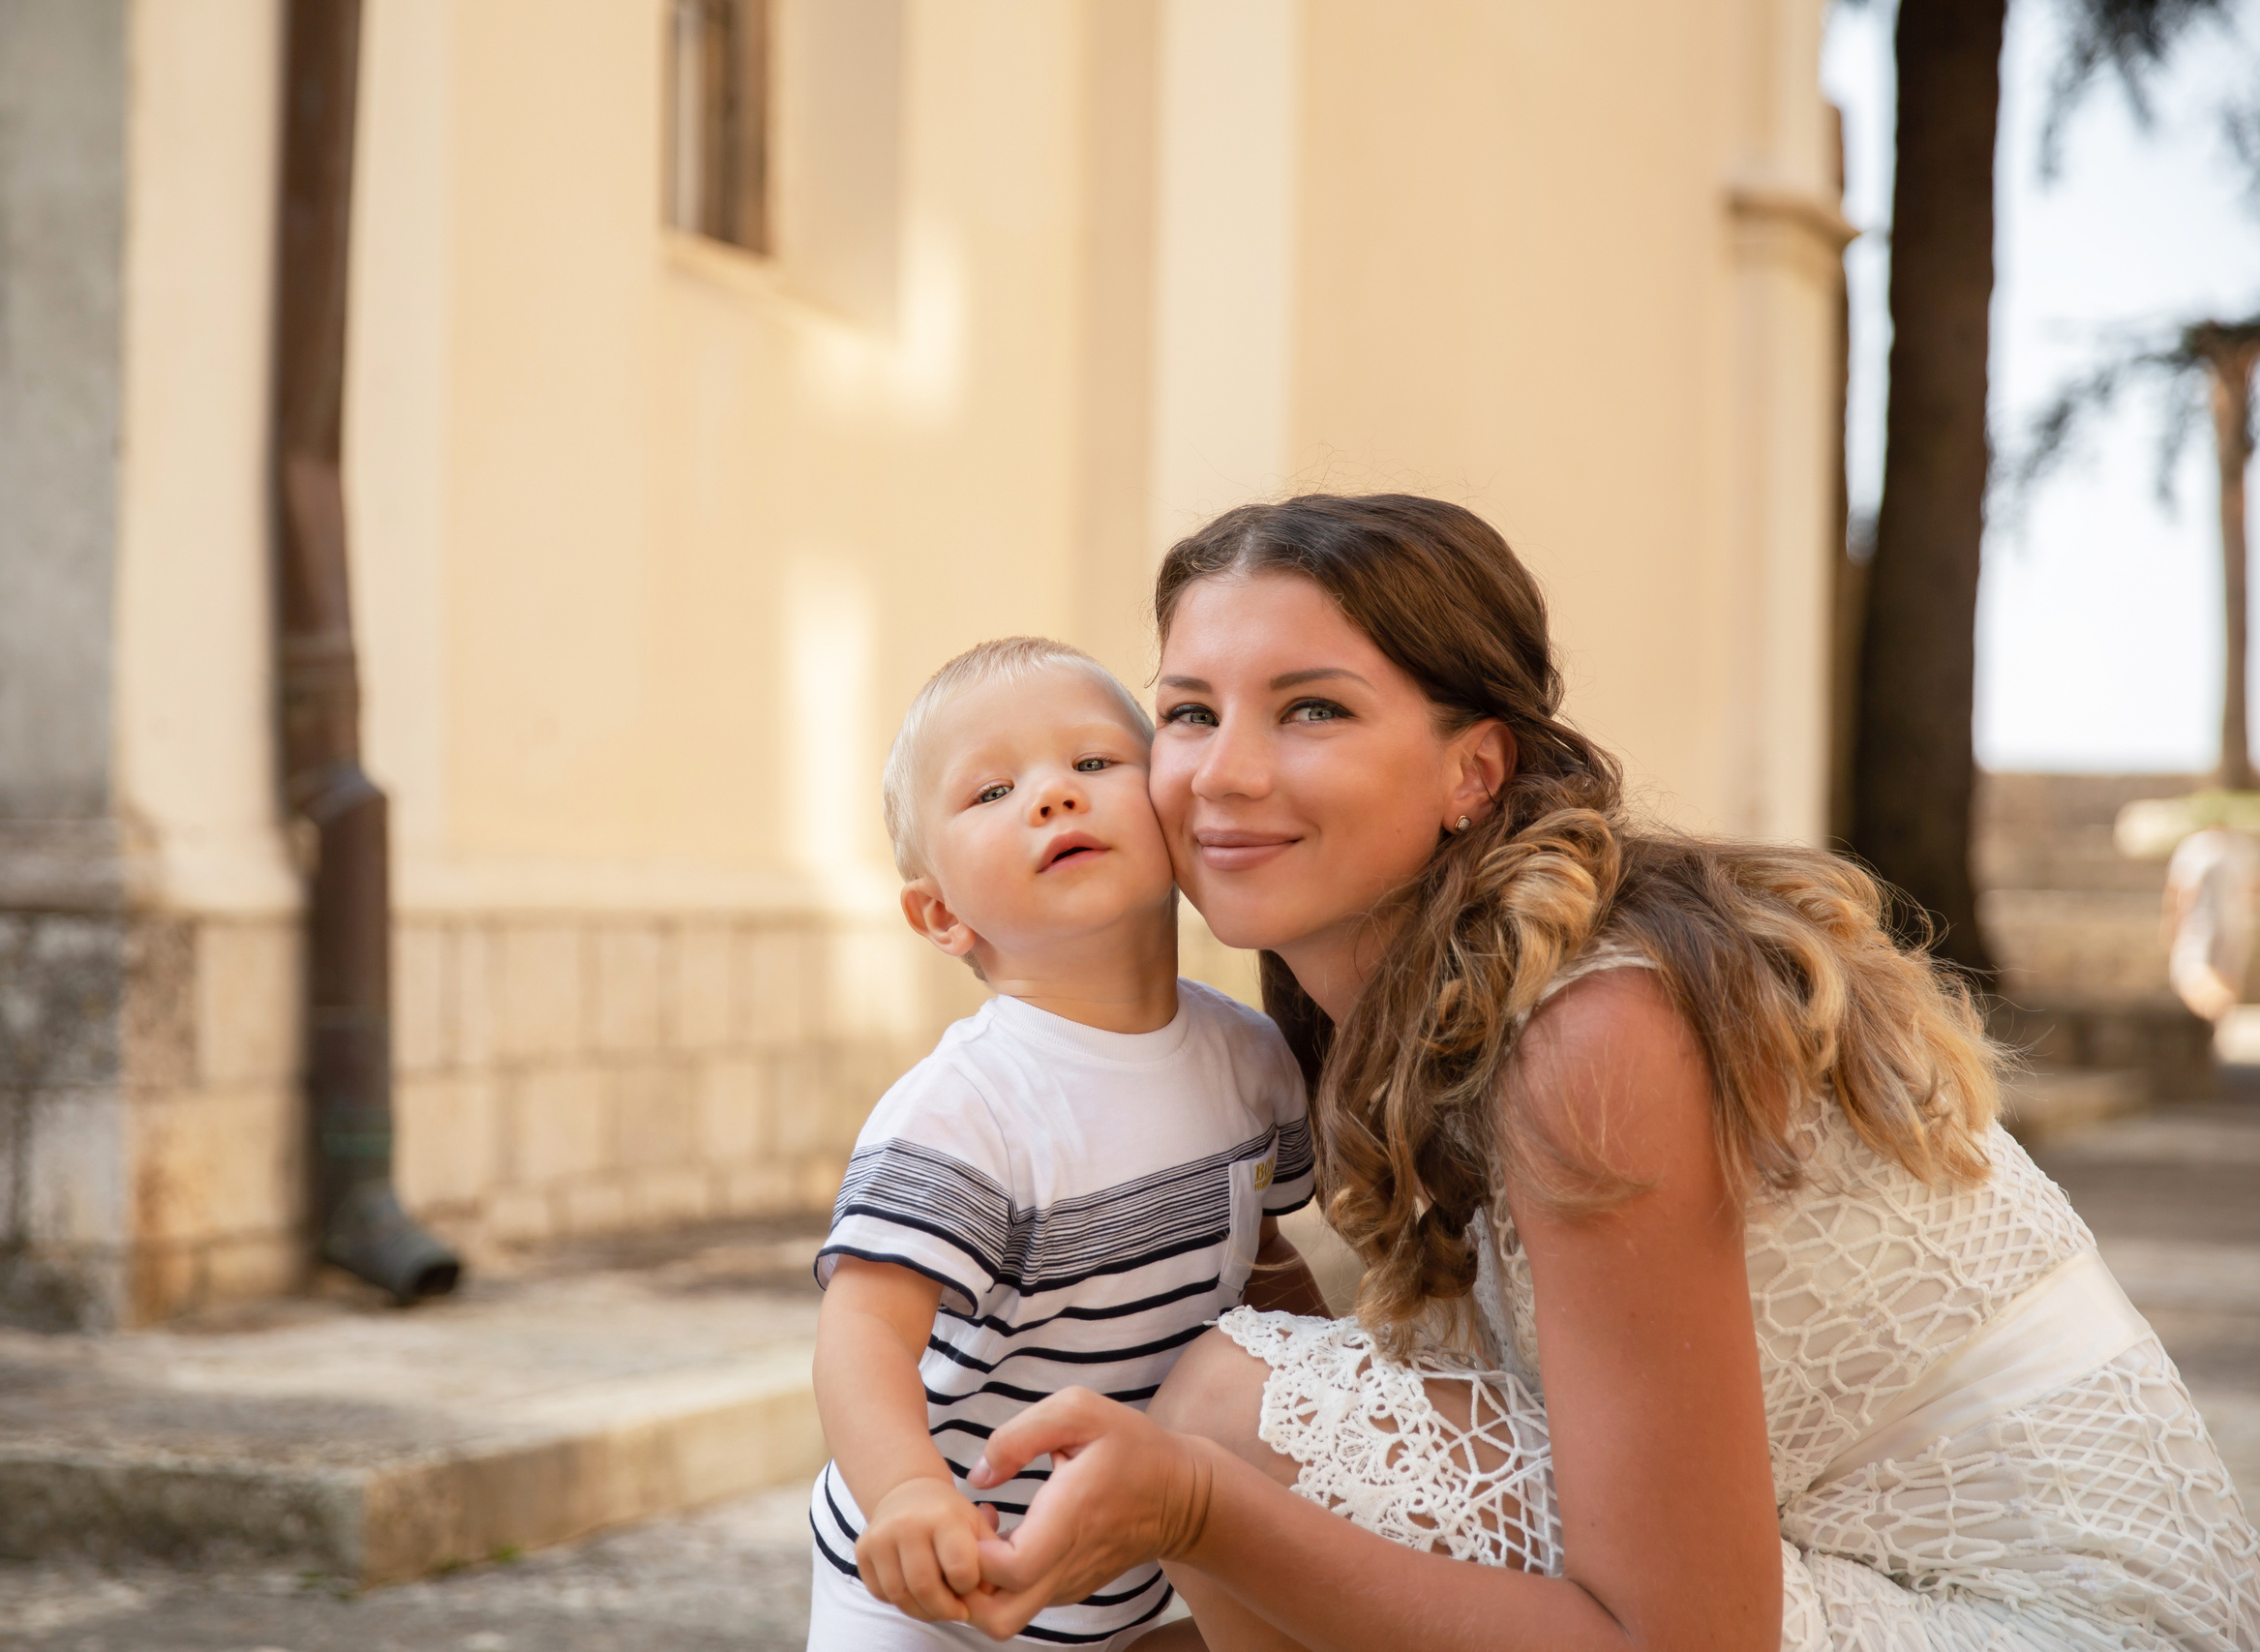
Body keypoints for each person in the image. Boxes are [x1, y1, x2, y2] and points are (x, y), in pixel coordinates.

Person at [947, 496, 2260, 1650]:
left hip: (2049, 1623)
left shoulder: (1598, 1027)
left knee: (1236, 1414)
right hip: (1828, 1574)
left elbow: (1686, 1639)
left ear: (1476, 767)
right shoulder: (1386, 999)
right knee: (1230, 1384)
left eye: (1314, 709)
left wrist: (1193, 1502)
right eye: (1186, 712)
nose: (1222, 772)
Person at [806, 637, 1329, 1651]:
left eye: (1093, 764)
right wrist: (909, 1496)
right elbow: (861, 1336)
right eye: (993, 790)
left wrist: (1326, 1373)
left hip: (1127, 1574)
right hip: (935, 1583)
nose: (1053, 796)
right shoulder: (962, 1111)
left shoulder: (1250, 1057)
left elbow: (1259, 1261)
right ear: (940, 914)